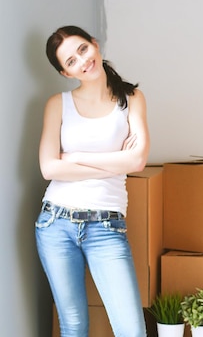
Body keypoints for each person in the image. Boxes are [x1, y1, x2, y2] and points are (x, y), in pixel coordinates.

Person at [35, 26, 150, 337]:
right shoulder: (57, 104)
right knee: (73, 327)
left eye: (83, 49)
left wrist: (73, 158)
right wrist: (114, 164)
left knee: (131, 331)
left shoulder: (131, 99)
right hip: (55, 223)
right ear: (64, 71)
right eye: (71, 61)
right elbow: (49, 168)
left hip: (106, 227)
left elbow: (137, 161)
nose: (82, 61)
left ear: (94, 45)